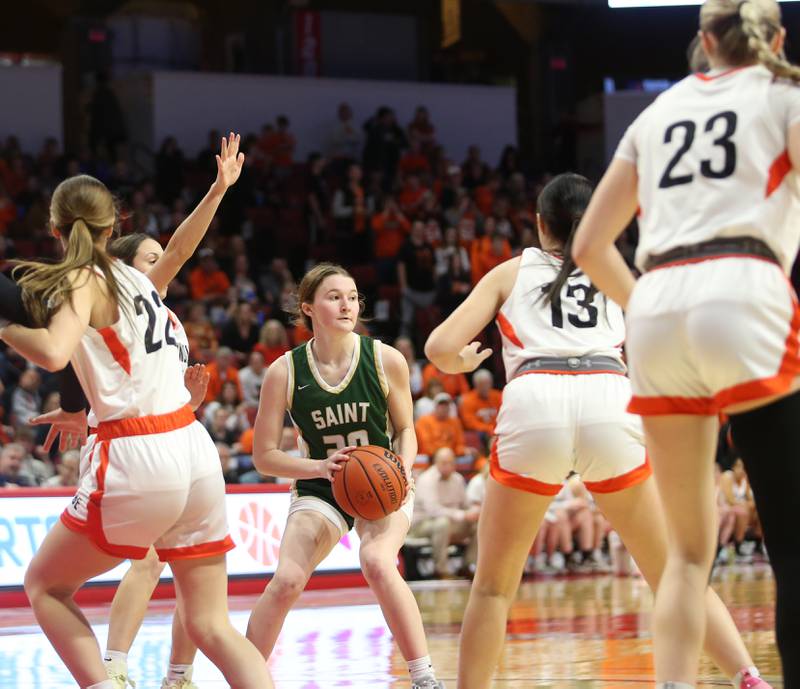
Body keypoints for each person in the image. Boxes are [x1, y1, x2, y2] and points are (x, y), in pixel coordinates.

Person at [425, 173, 770, 689]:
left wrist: (459, 360)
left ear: (540, 224)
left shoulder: (511, 271)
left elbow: (438, 346)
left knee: (494, 587)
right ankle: (747, 676)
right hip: (609, 395)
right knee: (672, 570)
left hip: (535, 397)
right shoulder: (617, 270)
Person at [571, 2, 800, 685]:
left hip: (658, 306)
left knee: (687, 555)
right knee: (791, 546)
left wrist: (652, 306)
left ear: (703, 42)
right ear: (778, 37)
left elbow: (587, 244)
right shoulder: (784, 93)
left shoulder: (656, 111)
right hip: (744, 287)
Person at [10, 140, 272, 689]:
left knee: (45, 586)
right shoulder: (137, 279)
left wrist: (5, 326)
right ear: (114, 228)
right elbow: (177, 250)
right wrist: (219, 188)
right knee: (211, 624)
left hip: (138, 452)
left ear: (56, 229)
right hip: (194, 451)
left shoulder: (81, 279)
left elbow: (55, 351)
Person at [248, 262, 445, 689]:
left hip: (384, 479)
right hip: (321, 483)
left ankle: (423, 677)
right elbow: (264, 456)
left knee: (376, 561)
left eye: (353, 297)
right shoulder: (284, 371)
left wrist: (403, 469)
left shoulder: (384, 358)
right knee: (286, 581)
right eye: (334, 296)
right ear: (309, 308)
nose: (347, 305)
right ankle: (243, 678)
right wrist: (318, 467)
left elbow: (408, 430)